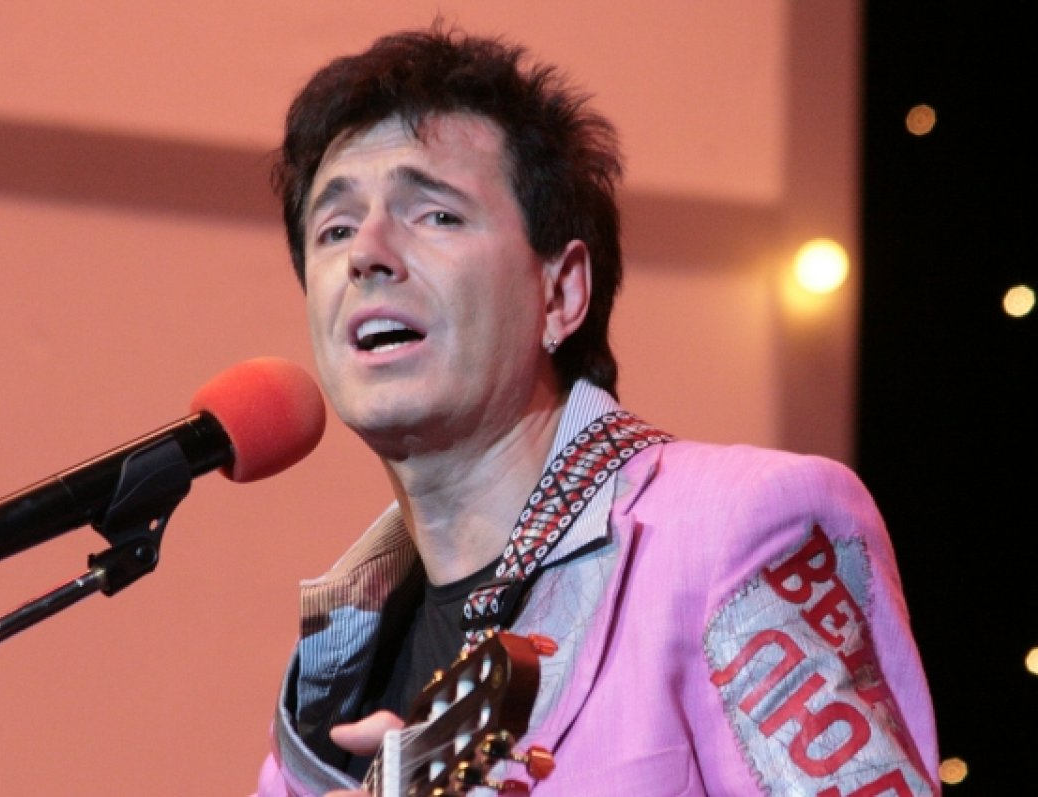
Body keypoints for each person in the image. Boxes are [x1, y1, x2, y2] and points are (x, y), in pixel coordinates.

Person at [254, 24, 940, 797]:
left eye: (436, 215)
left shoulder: (741, 529)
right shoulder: (328, 684)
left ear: (561, 292)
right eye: (335, 228)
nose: (366, 254)